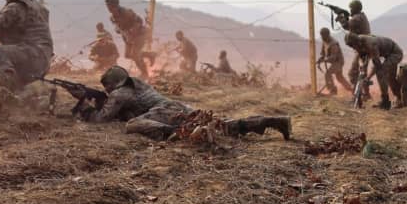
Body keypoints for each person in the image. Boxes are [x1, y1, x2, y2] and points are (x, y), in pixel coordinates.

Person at [76, 66, 291, 141]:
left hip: (161, 112)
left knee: (131, 126)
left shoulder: (120, 94)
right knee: (219, 124)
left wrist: (84, 107)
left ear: (113, 85)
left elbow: (102, 119)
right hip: (173, 105)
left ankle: (172, 133)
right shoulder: (135, 83)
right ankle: (269, 121)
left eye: (107, 88)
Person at [344, 33, 403, 110]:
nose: (353, 48)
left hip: (395, 53)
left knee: (381, 73)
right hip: (385, 54)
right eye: (351, 46)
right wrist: (362, 67)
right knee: (388, 77)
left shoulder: (371, 44)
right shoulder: (358, 43)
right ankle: (397, 99)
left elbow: (377, 65)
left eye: (353, 46)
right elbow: (361, 57)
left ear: (357, 42)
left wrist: (368, 77)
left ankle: (385, 102)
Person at [105, 0, 151, 78]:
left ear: (115, 5)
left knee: (135, 55)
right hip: (128, 38)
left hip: (139, 34)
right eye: (107, 6)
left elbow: (139, 21)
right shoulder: (112, 18)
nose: (108, 8)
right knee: (127, 55)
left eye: (109, 6)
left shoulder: (126, 12)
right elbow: (118, 28)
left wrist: (132, 31)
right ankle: (150, 55)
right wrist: (120, 31)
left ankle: (145, 73)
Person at [338, 0, 372, 98]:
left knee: (353, 73)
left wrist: (341, 18)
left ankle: (357, 95)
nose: (350, 10)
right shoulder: (361, 16)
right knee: (362, 72)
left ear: (356, 8)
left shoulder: (357, 18)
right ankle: (365, 94)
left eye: (351, 8)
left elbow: (346, 26)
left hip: (362, 49)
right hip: (364, 48)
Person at [316, 28, 352, 95]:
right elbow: (323, 54)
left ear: (327, 35)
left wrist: (324, 60)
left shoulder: (333, 44)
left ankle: (332, 91)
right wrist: (320, 59)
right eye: (321, 35)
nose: (322, 37)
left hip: (338, 62)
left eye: (323, 35)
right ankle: (351, 89)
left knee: (327, 74)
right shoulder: (324, 41)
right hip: (334, 62)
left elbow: (333, 57)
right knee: (339, 77)